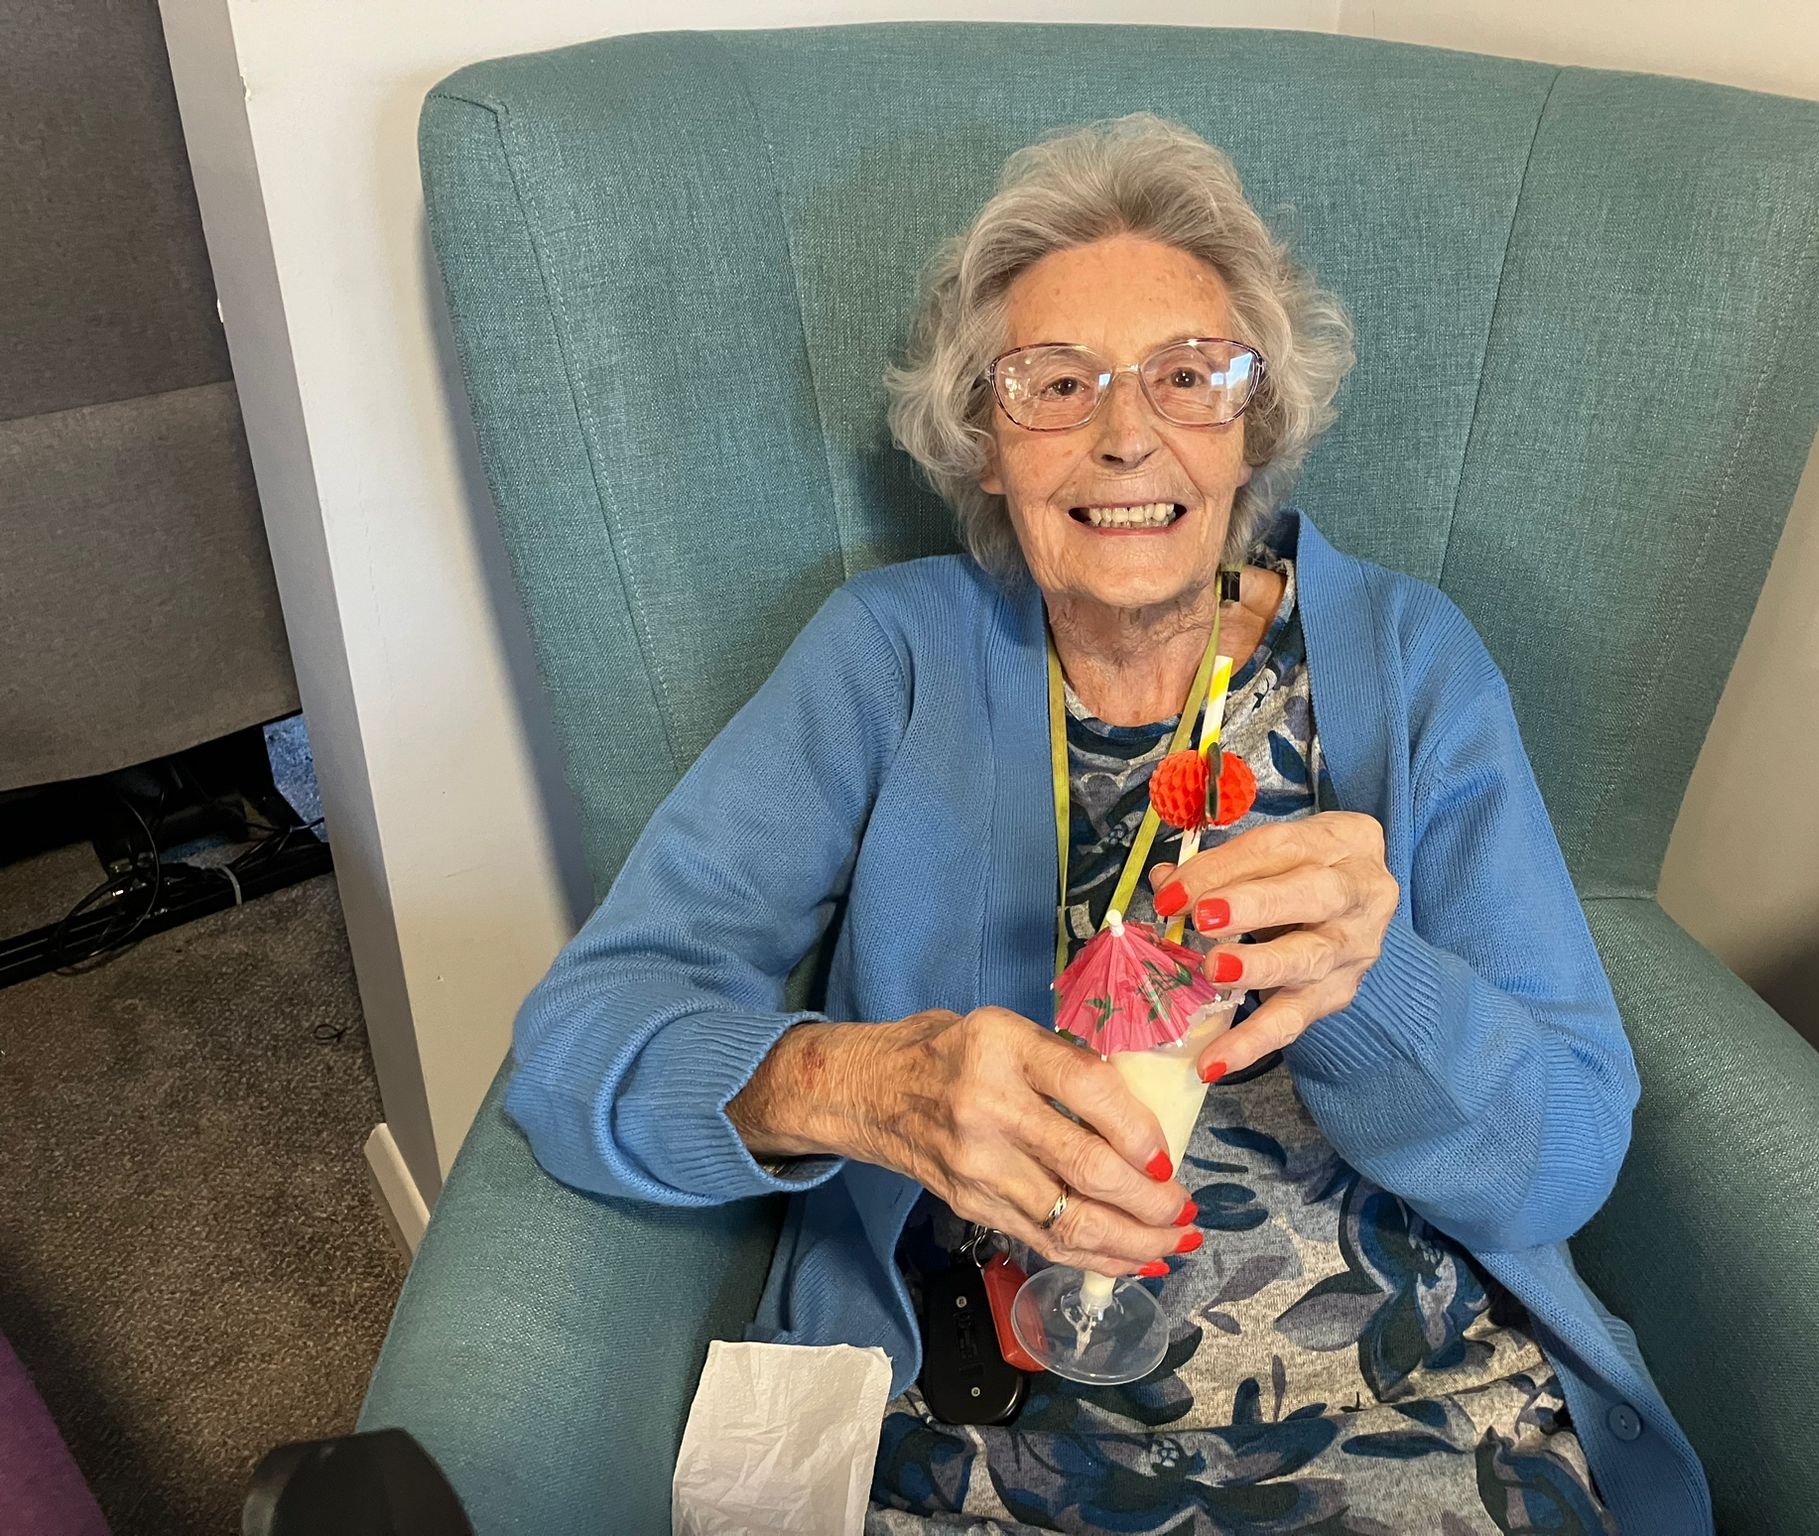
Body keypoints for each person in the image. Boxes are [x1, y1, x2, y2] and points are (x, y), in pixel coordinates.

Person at [506, 115, 1710, 1536]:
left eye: (1189, 377)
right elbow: (579, 1043)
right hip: (987, 1421)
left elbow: (1566, 1157)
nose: (1128, 433)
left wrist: (1372, 984)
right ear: (983, 442)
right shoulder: (887, 657)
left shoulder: (1412, 659)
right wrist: (868, 1085)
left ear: (1254, 423)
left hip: (1415, 1413)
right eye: (1057, 383)